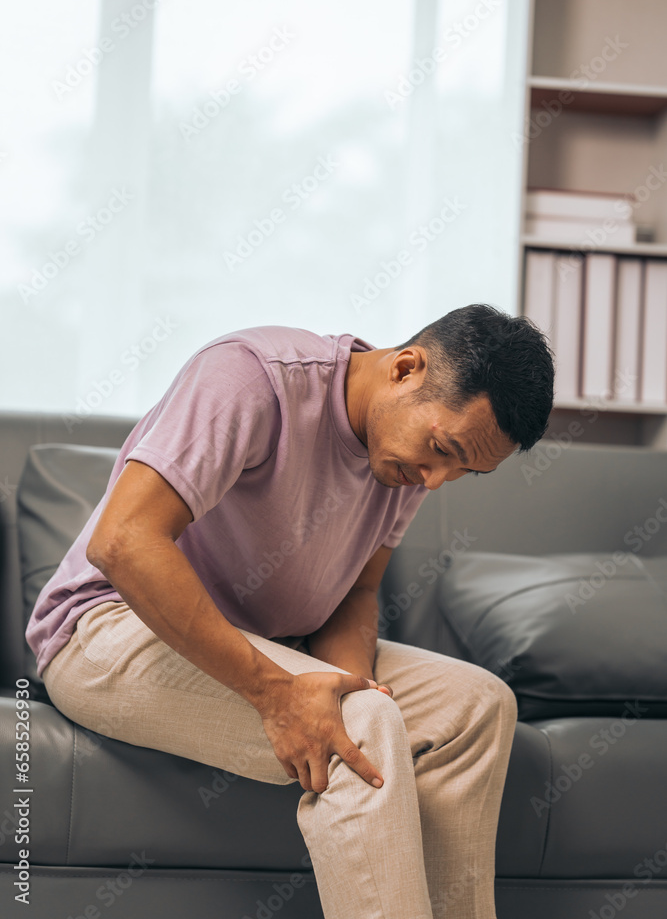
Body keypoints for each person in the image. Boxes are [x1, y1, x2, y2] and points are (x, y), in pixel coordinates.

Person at [27, 302, 554, 919]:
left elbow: (355, 595)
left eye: (463, 471)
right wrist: (278, 695)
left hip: (277, 641)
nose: (435, 481)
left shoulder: (402, 465)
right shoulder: (251, 378)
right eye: (441, 449)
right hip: (109, 627)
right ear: (406, 369)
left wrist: (359, 685)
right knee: (360, 726)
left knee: (478, 707)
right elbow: (124, 542)